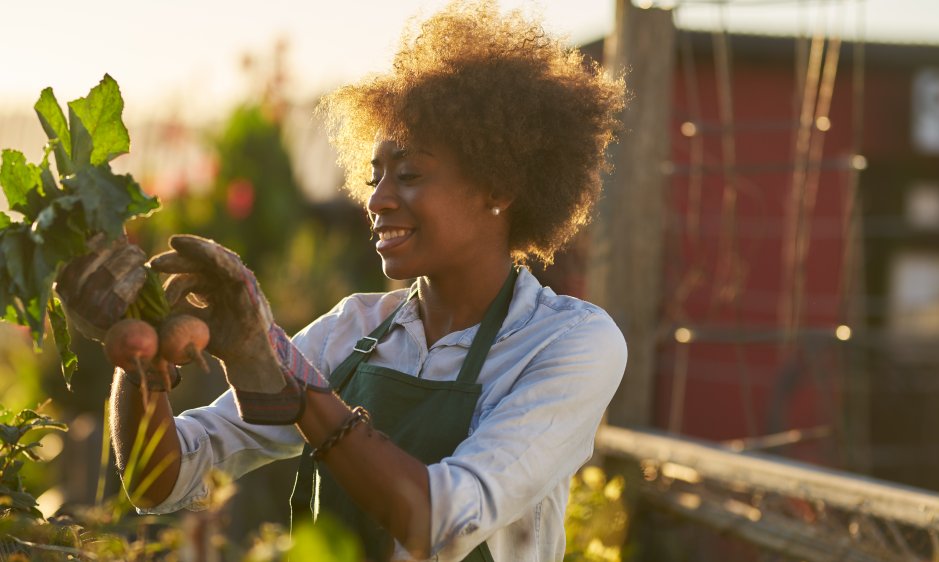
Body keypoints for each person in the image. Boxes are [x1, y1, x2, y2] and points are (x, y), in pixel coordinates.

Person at [57, 2, 628, 560]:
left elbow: (445, 521)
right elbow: (159, 480)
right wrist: (142, 361)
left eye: (408, 174)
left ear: (498, 188)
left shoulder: (568, 343)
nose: (377, 200)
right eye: (374, 175)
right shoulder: (354, 330)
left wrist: (297, 387)